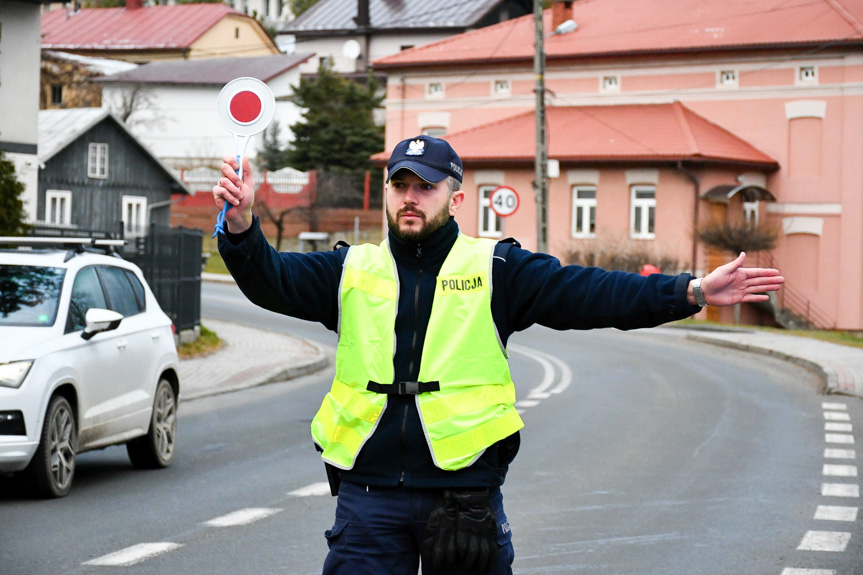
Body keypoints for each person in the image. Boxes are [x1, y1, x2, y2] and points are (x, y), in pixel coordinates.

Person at [212, 135, 784, 575]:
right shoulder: (349, 269)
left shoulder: (496, 268)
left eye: (425, 187)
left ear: (455, 197)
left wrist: (688, 291)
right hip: (369, 498)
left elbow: (592, 292)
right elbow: (272, 279)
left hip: (462, 499)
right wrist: (240, 228)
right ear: (388, 191)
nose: (411, 197)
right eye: (400, 184)